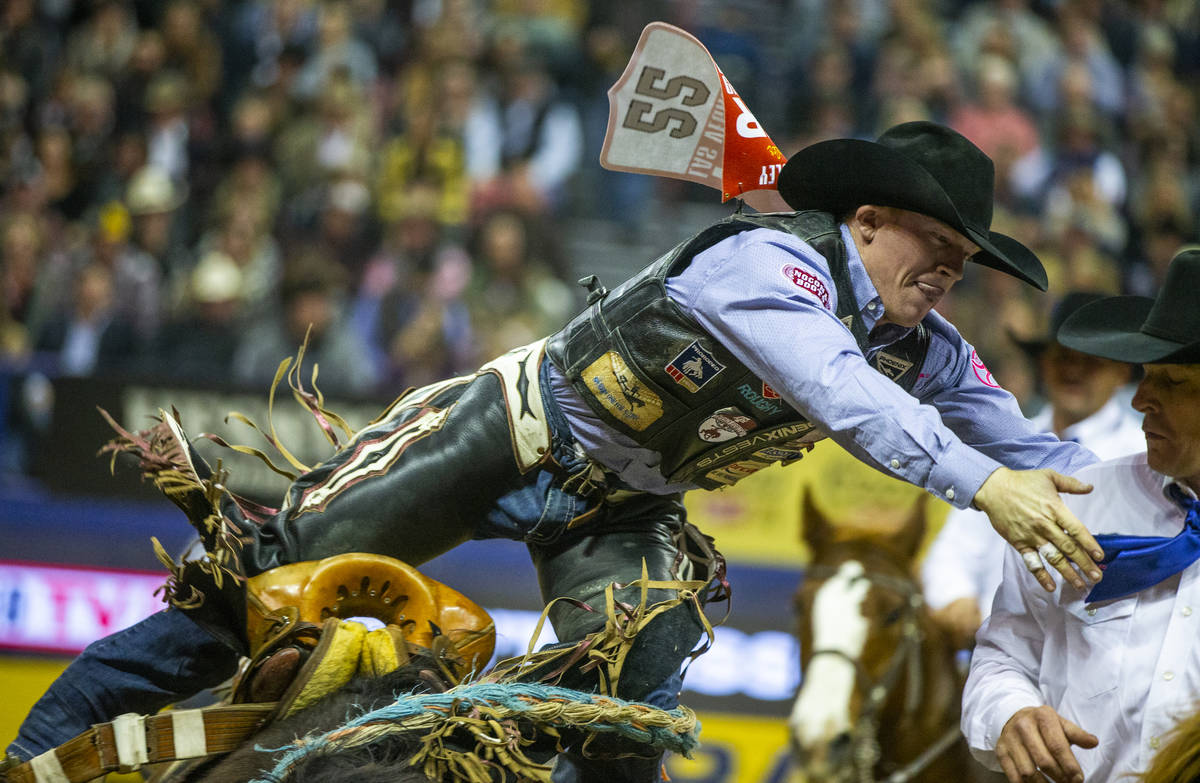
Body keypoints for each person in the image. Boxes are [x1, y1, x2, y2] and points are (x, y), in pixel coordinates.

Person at [3, 122, 1104, 782]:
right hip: (516, 429)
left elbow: (1040, 443)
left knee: (628, 721)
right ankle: (39, 755)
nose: (949, 272)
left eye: (963, 259)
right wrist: (988, 486)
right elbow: (842, 393)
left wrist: (1129, 489)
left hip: (628, 510)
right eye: (935, 244)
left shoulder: (929, 348)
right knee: (263, 584)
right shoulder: (771, 264)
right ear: (865, 220)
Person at [962, 248, 1200, 783]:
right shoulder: (1074, 505)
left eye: (1172, 382)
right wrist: (1010, 712)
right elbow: (1004, 655)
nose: (1141, 399)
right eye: (1146, 375)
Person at [921, 291, 1145, 650]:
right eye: (1063, 357)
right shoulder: (1002, 440)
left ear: (1120, 372)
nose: (1073, 370)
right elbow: (956, 546)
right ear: (1044, 364)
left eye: (1090, 362)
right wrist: (955, 597)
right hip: (985, 646)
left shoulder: (1139, 456)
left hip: (1087, 649)